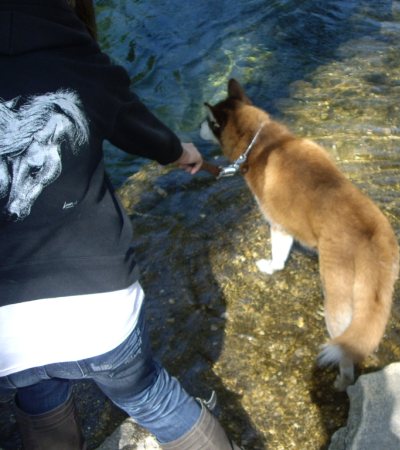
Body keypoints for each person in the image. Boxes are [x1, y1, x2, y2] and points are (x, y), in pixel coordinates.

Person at [0, 1, 240, 449]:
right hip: (99, 305)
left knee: (40, 404)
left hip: (6, 330)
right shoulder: (73, 54)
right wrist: (180, 151)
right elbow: (136, 126)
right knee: (153, 398)